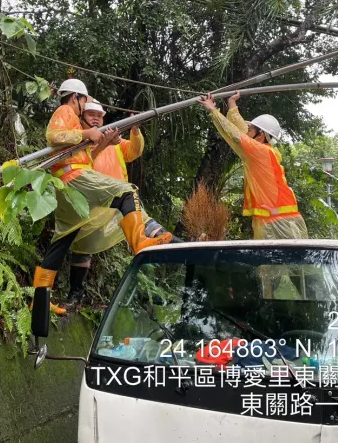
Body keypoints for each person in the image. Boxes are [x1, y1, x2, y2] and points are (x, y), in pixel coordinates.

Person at [32, 79, 173, 315]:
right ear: (76, 97)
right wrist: (87, 133)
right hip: (75, 177)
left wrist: (100, 139)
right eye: (84, 101)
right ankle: (138, 241)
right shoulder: (66, 111)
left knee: (61, 242)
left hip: (68, 181)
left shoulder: (83, 129)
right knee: (128, 190)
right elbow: (54, 135)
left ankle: (40, 298)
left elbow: (111, 153)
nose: (85, 107)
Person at [62, 100, 181, 307]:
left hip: (120, 201)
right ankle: (75, 295)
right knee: (82, 247)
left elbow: (134, 151)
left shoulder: (114, 140)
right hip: (92, 203)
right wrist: (101, 144)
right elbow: (80, 164)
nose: (96, 118)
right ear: (81, 116)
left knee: (145, 222)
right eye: (91, 114)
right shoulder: (78, 139)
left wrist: (135, 130)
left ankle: (183, 247)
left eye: (99, 115)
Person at [197, 91, 308, 240]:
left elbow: (235, 135)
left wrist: (213, 110)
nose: (247, 131)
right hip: (277, 218)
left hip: (278, 222)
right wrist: (232, 104)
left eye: (251, 130)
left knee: (276, 263)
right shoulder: (265, 151)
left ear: (261, 135)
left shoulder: (259, 152)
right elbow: (242, 131)